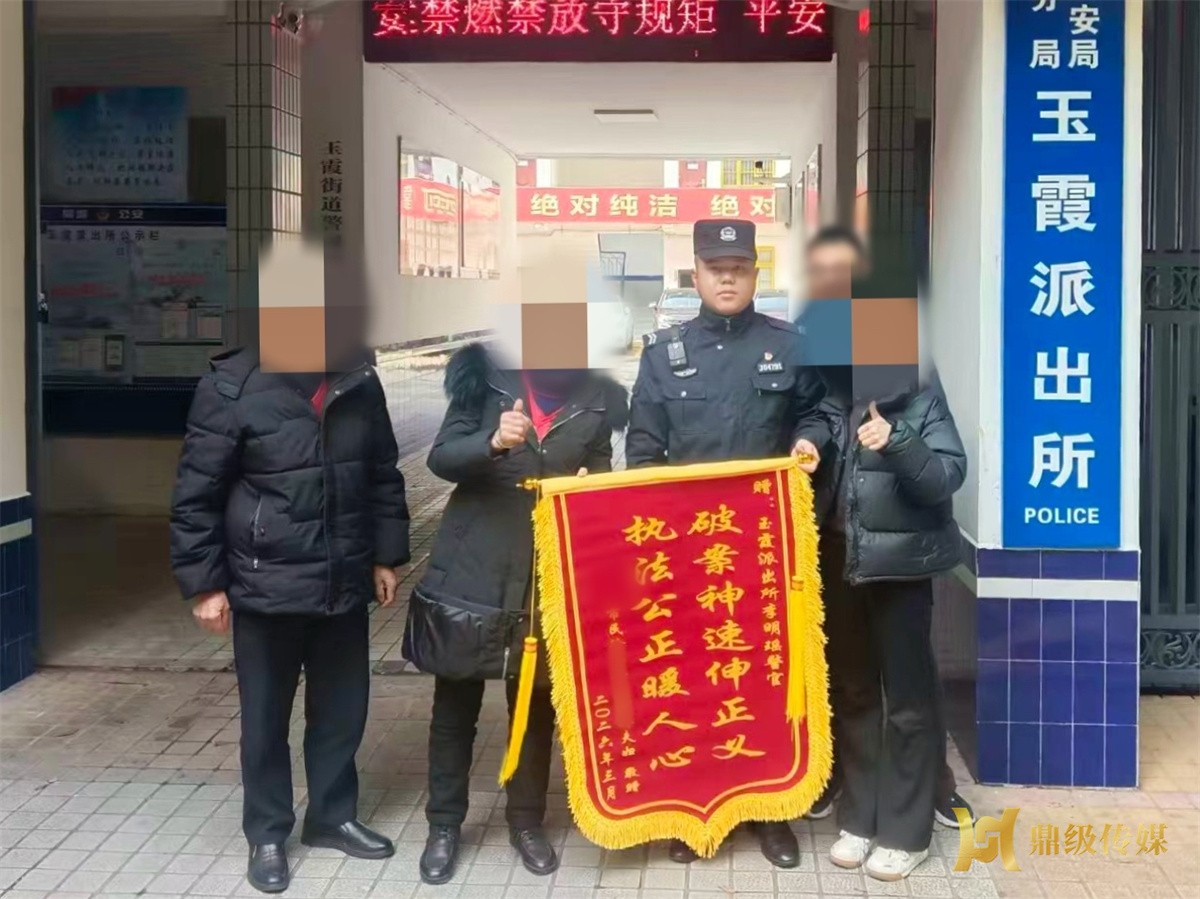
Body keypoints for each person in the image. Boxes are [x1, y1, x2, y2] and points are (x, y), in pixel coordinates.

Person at [626, 219, 829, 869]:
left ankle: (769, 810)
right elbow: (643, 450)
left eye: (739, 267)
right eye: (716, 268)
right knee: (693, 682)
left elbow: (818, 411)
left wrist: (809, 441)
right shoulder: (664, 354)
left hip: (764, 549)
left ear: (755, 275)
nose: (727, 278)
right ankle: (694, 809)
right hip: (688, 554)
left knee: (766, 677)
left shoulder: (789, 346)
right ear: (696, 274)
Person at [170, 347, 410, 894]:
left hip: (342, 579)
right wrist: (206, 585)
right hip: (265, 586)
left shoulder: (357, 380)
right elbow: (196, 491)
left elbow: (381, 475)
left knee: (342, 712)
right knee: (264, 720)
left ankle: (332, 817)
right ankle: (268, 834)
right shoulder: (232, 386)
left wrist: (384, 556)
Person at [407, 344, 628, 885]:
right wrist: (493, 442)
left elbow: (600, 469)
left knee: (534, 708)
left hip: (546, 577)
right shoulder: (485, 381)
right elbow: (441, 458)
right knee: (454, 705)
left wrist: (590, 484)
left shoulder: (598, 397)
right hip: (473, 569)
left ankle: (526, 822)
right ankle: (443, 825)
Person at [793, 227, 968, 881]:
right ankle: (859, 816)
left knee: (910, 700)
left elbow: (947, 475)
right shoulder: (832, 391)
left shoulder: (918, 391)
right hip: (840, 563)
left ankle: (906, 827)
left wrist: (898, 442)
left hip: (900, 570)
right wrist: (808, 444)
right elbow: (815, 423)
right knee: (856, 690)